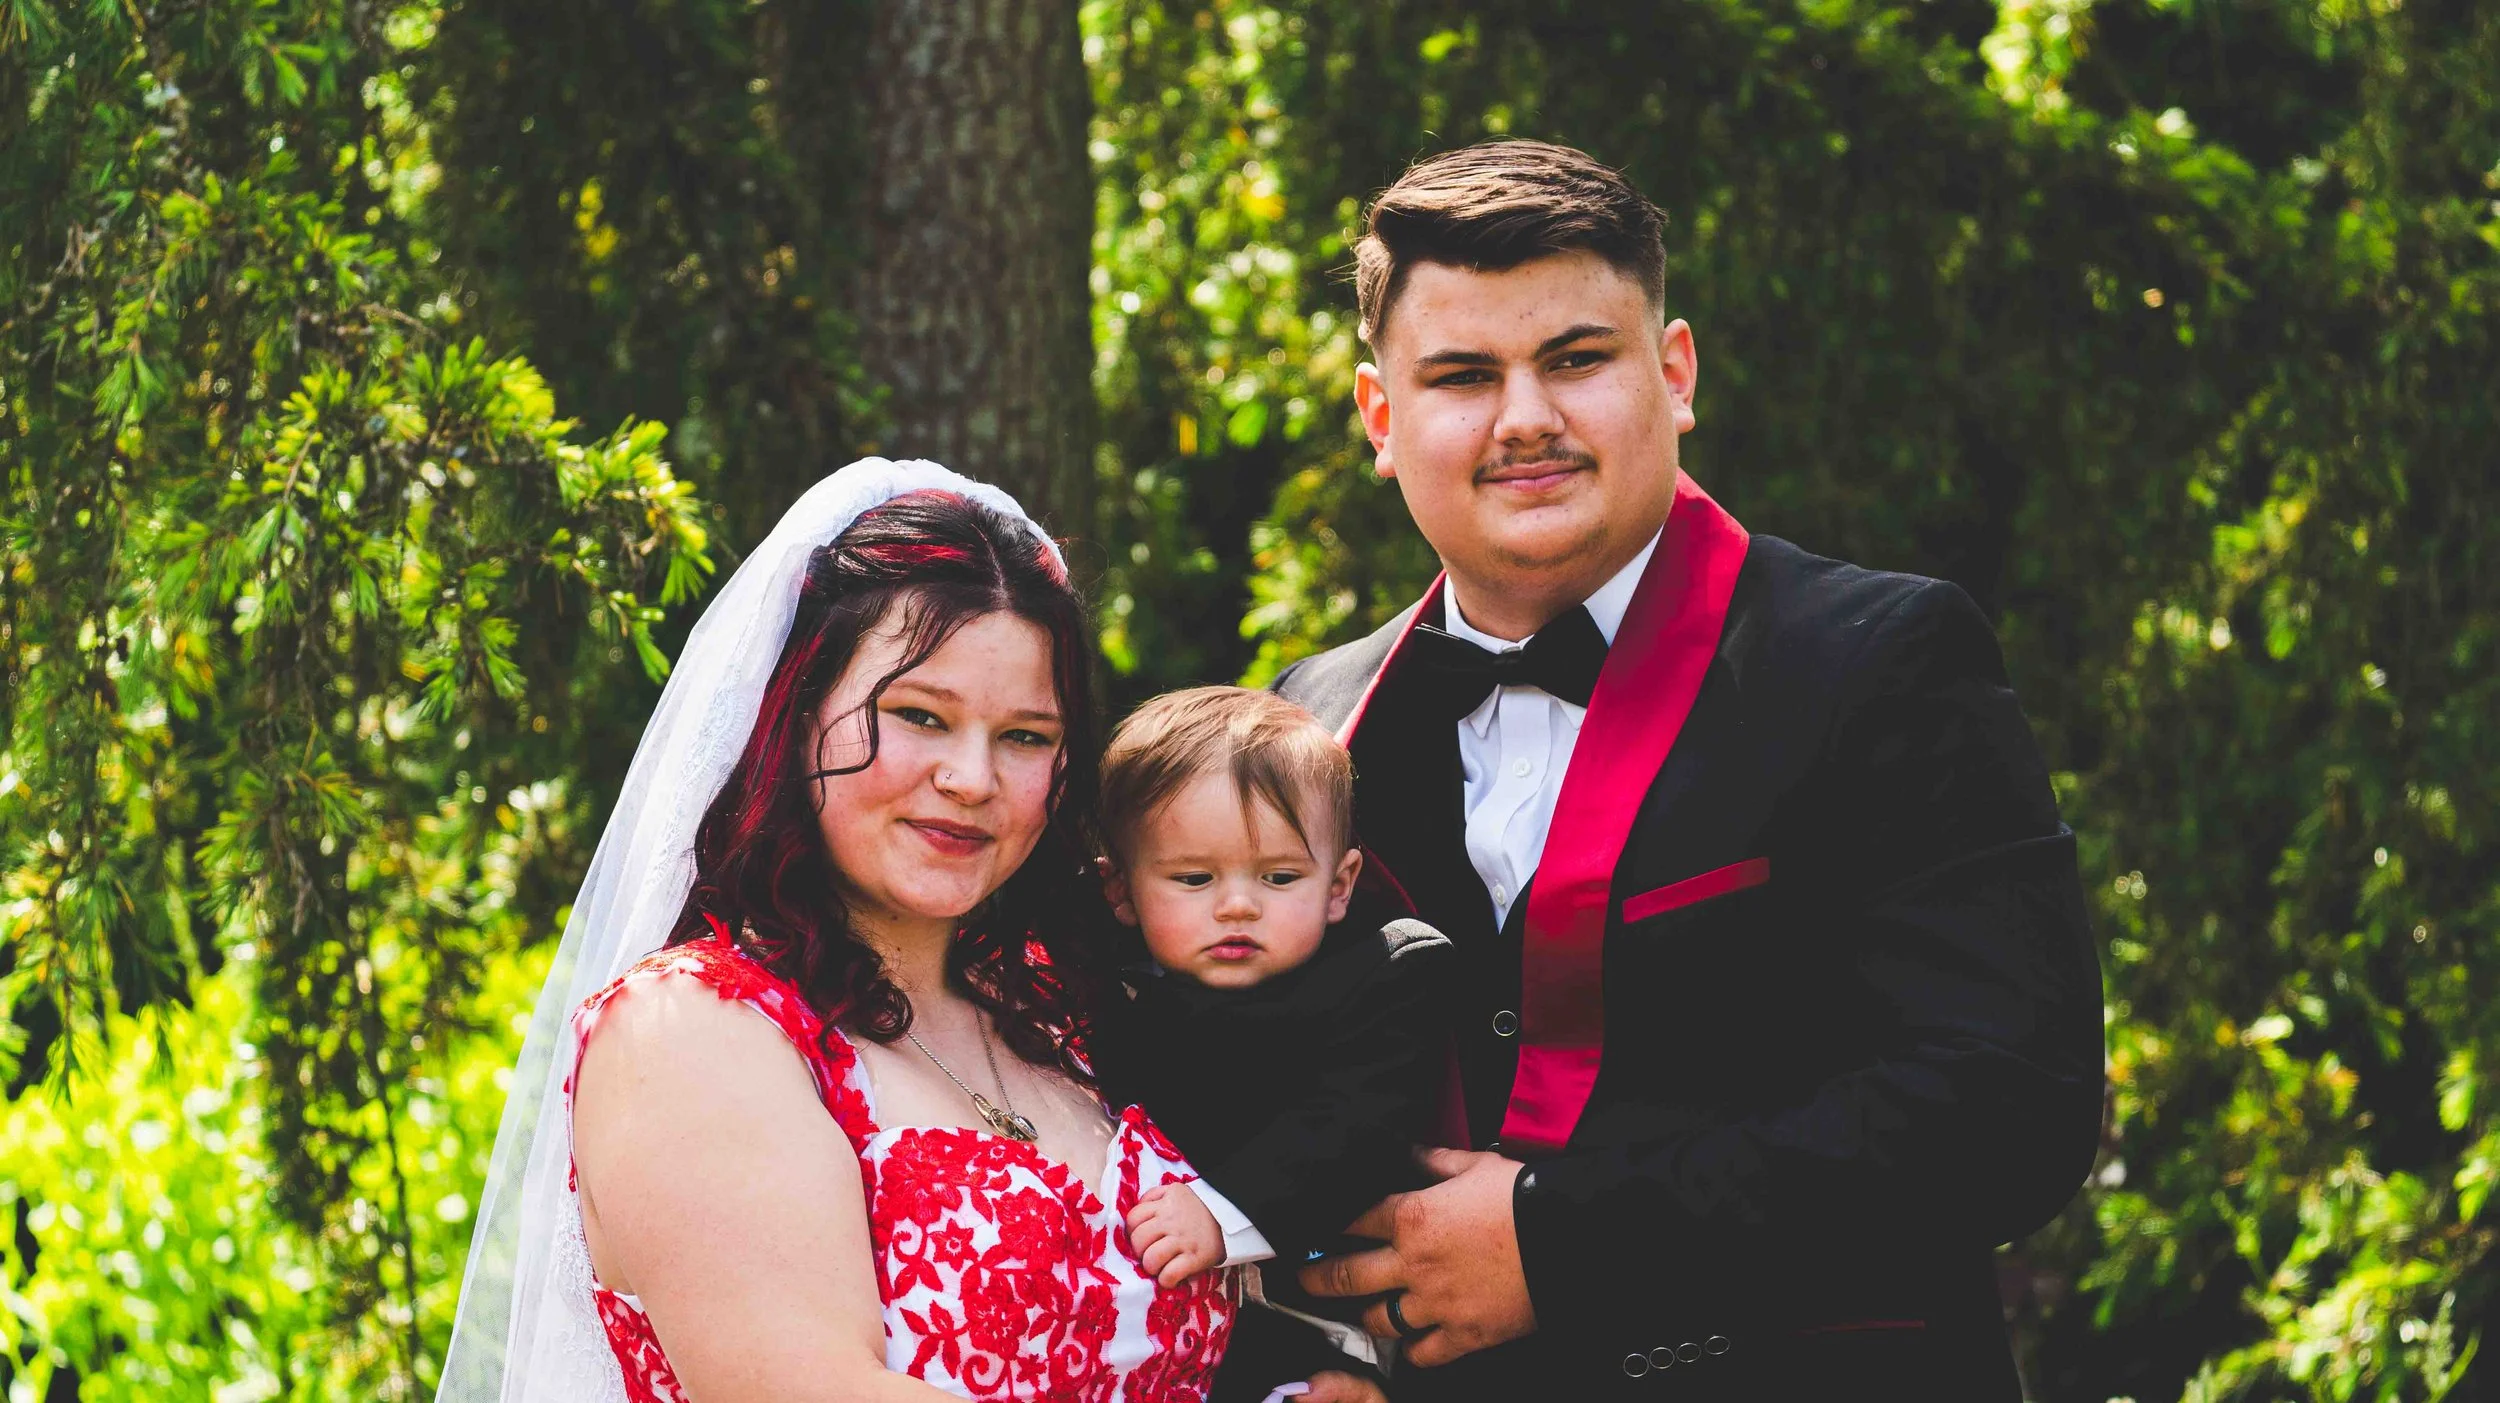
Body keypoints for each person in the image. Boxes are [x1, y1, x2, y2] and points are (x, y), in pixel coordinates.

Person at [1275, 140, 2107, 1398]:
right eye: (1460, 375)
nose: (1525, 419)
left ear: (1673, 373)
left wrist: (1565, 1240)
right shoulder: (1302, 726)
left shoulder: (1880, 657)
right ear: (1381, 421)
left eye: (1575, 358)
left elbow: (2007, 1104)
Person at [436, 462, 1381, 1403]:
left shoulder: (1059, 1008)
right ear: (797, 714)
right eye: (920, 716)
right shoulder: (689, 1028)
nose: (972, 778)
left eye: (1023, 736)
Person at [1086, 687, 1454, 1402]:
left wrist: (1222, 1208)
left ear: (1340, 883)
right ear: (1122, 891)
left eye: (1280, 877)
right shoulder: (1111, 996)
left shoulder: (1384, 974)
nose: (1237, 904)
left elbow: (1355, 1127)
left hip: (1323, 1307)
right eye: (1193, 878)